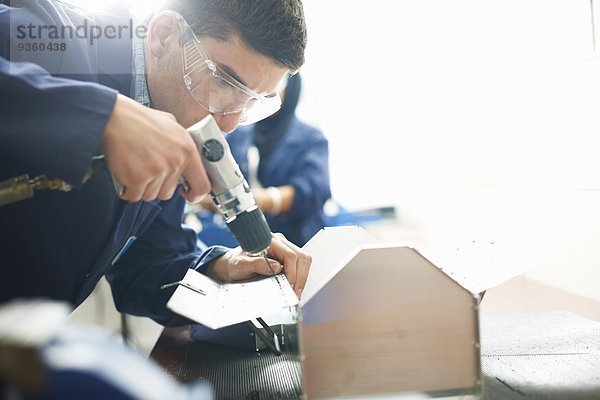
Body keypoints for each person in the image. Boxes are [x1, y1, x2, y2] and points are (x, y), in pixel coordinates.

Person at [0, 0, 311, 326]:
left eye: (249, 104)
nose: (229, 124)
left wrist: (221, 266)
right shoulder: (54, 36)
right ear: (163, 35)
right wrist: (101, 117)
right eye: (223, 83)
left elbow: (141, 264)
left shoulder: (173, 114)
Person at [197, 73, 331, 247]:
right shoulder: (238, 133)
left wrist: (263, 200)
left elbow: (314, 190)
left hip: (299, 240)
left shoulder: (311, 138)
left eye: (274, 88)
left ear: (290, 89)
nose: (262, 96)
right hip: (242, 241)